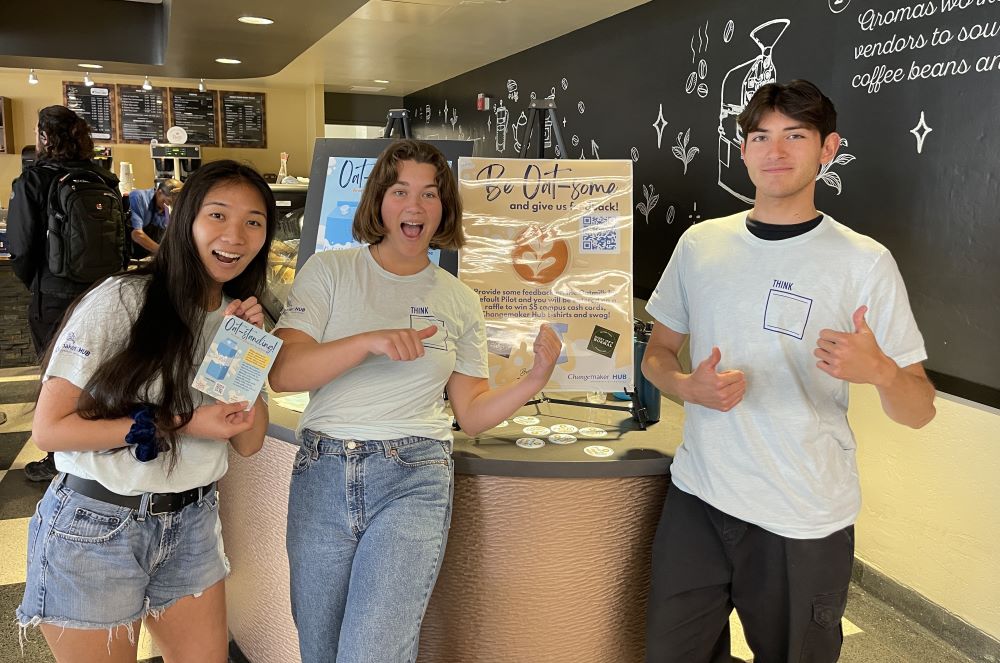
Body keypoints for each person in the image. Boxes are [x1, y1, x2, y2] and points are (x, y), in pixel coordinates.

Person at [642, 80, 936, 663]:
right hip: (698, 497)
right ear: (743, 149)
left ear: (828, 149)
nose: (775, 152)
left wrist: (879, 370)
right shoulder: (701, 244)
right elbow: (657, 352)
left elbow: (920, 410)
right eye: (761, 136)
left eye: (794, 136)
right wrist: (684, 386)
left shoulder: (864, 262)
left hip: (803, 515)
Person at [269, 139, 562, 663]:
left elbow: (471, 412)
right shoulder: (330, 271)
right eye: (401, 190)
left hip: (414, 475)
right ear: (379, 201)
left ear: (444, 208)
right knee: (319, 649)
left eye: (430, 194)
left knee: (371, 653)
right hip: (323, 472)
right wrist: (367, 341)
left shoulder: (458, 298)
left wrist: (531, 381)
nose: (416, 205)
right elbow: (284, 373)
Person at [16, 159, 276, 663]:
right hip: (96, 524)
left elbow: (248, 440)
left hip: (192, 522)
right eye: (217, 216)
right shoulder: (122, 300)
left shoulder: (240, 317)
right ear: (185, 222)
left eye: (254, 222)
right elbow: (50, 430)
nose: (236, 236)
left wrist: (247, 353)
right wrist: (182, 423)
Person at [6, 105, 123, 482]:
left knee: (57, 375)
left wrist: (37, 282)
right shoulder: (104, 178)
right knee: (100, 372)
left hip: (54, 294)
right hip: (103, 292)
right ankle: (98, 445)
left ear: (43, 136)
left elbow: (20, 246)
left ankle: (58, 459)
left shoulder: (33, 180)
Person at [129, 178, 182, 257]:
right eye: (169, 202)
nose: (170, 205)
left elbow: (168, 230)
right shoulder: (138, 197)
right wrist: (163, 252)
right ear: (159, 193)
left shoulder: (162, 207)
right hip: (131, 248)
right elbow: (136, 234)